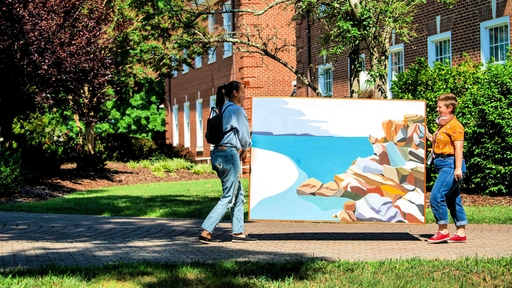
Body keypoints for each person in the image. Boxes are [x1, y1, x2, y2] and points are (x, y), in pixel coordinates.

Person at [199, 80, 257, 243]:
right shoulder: (237, 111)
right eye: (243, 91)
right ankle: (206, 230)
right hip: (229, 156)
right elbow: (245, 138)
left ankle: (238, 233)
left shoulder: (223, 109)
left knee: (238, 194)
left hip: (218, 154)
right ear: (235, 93)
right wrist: (246, 147)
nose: (245, 94)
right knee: (228, 197)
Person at [425, 93, 468, 243]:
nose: (437, 109)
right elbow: (440, 143)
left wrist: (457, 168)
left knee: (436, 196)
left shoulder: (456, 126)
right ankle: (460, 232)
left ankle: (442, 231)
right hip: (442, 164)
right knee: (452, 199)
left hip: (451, 165)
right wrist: (428, 135)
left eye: (440, 107)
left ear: (449, 108)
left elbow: (459, 148)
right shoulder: (443, 125)